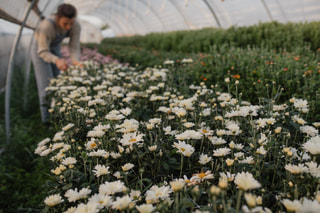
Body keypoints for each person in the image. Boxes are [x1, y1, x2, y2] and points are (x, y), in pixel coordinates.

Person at [31, 3, 82, 123]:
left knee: (58, 82)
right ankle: (47, 121)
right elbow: (43, 51)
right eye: (65, 24)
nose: (68, 27)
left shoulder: (76, 25)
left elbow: (74, 47)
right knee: (47, 86)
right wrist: (57, 60)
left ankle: (57, 116)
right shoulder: (46, 26)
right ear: (58, 18)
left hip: (54, 48)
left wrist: (75, 61)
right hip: (41, 51)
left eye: (71, 23)